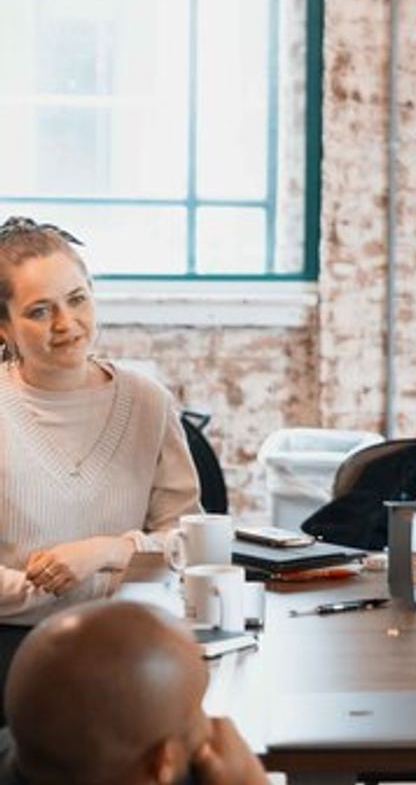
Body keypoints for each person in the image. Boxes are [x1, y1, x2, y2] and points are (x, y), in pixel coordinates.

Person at [0, 217, 201, 708]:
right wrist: (51, 584)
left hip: (130, 640)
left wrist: (106, 551)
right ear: (4, 326)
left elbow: (191, 543)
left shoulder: (147, 402)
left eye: (77, 299)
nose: (66, 324)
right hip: (13, 649)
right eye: (39, 311)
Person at [0, 599, 268, 784]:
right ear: (164, 763)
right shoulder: (197, 772)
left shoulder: (34, 744)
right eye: (196, 706)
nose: (215, 723)